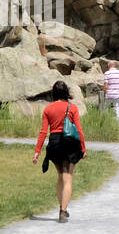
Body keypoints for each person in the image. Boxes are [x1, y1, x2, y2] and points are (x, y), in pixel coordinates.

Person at [32, 81, 86, 222]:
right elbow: (79, 129)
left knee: (61, 175)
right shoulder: (72, 107)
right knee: (68, 177)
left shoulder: (48, 109)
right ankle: (63, 210)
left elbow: (43, 132)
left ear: (53, 93)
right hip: (69, 143)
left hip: (54, 143)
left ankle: (62, 206)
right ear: (66, 92)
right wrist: (83, 148)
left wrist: (37, 151)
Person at [102, 60, 119, 125]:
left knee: (105, 110)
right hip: (117, 96)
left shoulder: (107, 73)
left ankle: (105, 125)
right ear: (114, 66)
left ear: (108, 66)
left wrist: (104, 95)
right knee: (118, 112)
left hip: (108, 95)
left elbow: (105, 86)